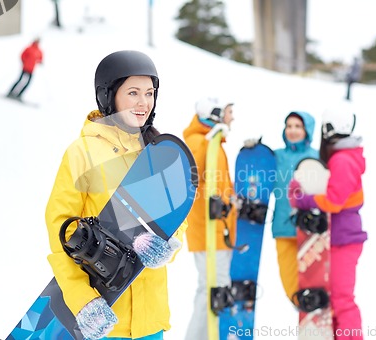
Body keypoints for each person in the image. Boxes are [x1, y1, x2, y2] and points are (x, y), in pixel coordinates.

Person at [45, 50, 188, 340]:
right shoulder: (82, 152)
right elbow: (60, 231)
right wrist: (83, 300)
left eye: (149, 93)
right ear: (108, 96)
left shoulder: (156, 154)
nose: (143, 102)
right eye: (133, 92)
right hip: (105, 322)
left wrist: (168, 245)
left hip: (151, 321)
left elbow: (176, 218)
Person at [289, 102, 367, 339]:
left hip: (344, 240)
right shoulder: (342, 157)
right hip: (338, 239)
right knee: (333, 300)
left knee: (342, 300)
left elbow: (333, 201)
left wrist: (303, 198)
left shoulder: (343, 160)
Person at [182, 97, 237, 340]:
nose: (232, 117)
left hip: (217, 229)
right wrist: (209, 140)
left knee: (215, 287)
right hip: (206, 231)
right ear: (215, 114)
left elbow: (219, 185)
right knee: (210, 288)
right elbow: (195, 175)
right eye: (228, 112)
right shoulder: (198, 141)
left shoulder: (214, 143)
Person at [270, 111, 318, 303]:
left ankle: (313, 309)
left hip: (310, 229)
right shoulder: (275, 156)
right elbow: (258, 180)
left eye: (298, 126)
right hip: (283, 227)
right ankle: (300, 306)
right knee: (289, 281)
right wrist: (254, 153)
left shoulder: (316, 156)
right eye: (289, 126)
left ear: (307, 130)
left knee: (312, 278)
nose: (292, 130)